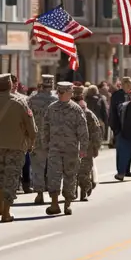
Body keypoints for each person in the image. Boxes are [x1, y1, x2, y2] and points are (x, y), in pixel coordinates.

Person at [0, 73, 37, 222]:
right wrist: (31, 142)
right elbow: (32, 128)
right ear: (11, 85)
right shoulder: (20, 103)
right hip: (16, 146)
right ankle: (6, 212)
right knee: (11, 177)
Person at [43, 81, 89, 216]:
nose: (61, 95)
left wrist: (83, 148)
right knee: (53, 175)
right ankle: (54, 203)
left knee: (70, 176)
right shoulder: (51, 108)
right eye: (60, 92)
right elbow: (45, 128)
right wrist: (45, 144)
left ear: (70, 93)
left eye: (64, 92)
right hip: (55, 149)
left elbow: (83, 130)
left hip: (71, 149)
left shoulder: (76, 109)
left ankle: (67, 203)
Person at [28, 74, 56, 204]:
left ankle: (39, 193)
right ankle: (53, 194)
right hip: (53, 140)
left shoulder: (33, 100)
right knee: (53, 167)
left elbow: (28, 118)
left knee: (37, 167)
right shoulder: (57, 100)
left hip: (37, 139)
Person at [72, 94, 101, 201]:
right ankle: (73, 192)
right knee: (72, 171)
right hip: (72, 147)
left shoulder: (89, 114)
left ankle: (83, 191)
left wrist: (96, 147)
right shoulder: (69, 113)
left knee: (84, 171)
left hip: (85, 148)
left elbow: (96, 132)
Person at [109, 76, 131, 177]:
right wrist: (113, 126)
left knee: (130, 149)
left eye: (130, 85)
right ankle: (120, 171)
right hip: (119, 126)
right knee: (121, 150)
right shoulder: (117, 95)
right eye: (127, 84)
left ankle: (127, 169)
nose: (129, 86)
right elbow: (112, 111)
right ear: (123, 84)